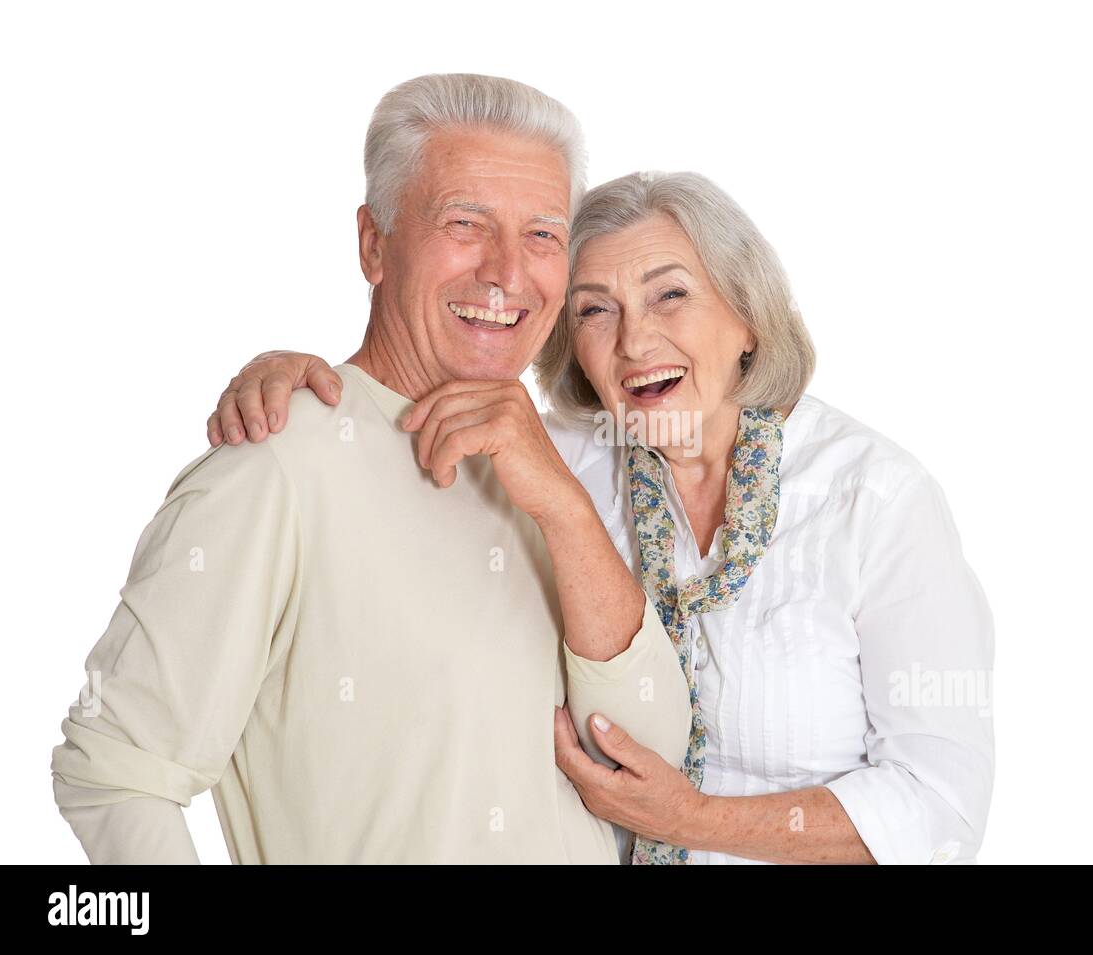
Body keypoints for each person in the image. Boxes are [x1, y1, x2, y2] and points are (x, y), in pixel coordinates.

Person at [214, 169, 996, 865]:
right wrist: (292, 381)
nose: (634, 339)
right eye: (594, 310)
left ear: (748, 318)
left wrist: (692, 819)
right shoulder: (551, 463)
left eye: (670, 294)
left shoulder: (876, 499)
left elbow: (940, 810)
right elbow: (392, 430)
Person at [49, 73, 692, 865]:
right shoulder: (276, 465)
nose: (506, 273)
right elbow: (113, 770)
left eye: (542, 235)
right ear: (372, 243)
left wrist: (560, 502)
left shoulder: (566, 466)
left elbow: (652, 754)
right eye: (466, 222)